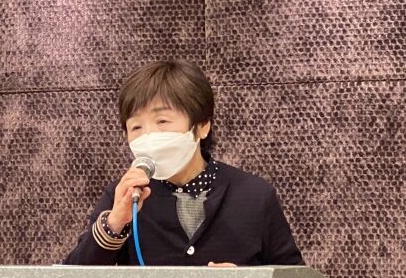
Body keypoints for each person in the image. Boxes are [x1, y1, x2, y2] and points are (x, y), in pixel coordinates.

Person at [62, 59, 304, 267]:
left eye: (162, 121)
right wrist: (115, 223)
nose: (149, 136)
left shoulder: (254, 195)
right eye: (136, 127)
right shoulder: (126, 196)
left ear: (202, 126)